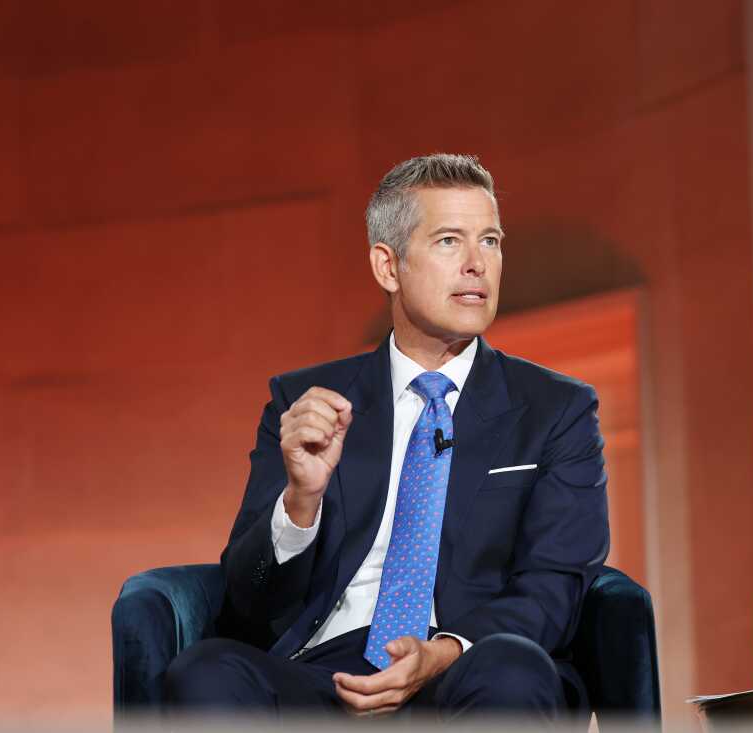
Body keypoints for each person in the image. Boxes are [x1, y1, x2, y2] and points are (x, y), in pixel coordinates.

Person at [164, 153, 610, 724]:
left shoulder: (557, 409)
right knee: (205, 673)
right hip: (327, 667)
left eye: (491, 241)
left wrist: (441, 653)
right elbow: (249, 603)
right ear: (388, 266)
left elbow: (556, 582)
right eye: (450, 241)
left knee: (513, 671)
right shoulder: (305, 402)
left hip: (471, 663)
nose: (477, 264)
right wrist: (301, 501)